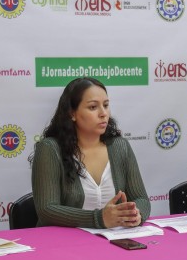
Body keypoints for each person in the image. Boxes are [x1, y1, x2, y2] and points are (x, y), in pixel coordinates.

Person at [30, 77, 150, 228]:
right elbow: (46, 209)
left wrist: (135, 214)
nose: (103, 113)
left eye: (106, 105)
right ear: (72, 113)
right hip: (62, 244)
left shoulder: (120, 146)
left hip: (113, 240)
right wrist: (99, 219)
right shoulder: (50, 149)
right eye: (93, 107)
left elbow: (141, 199)